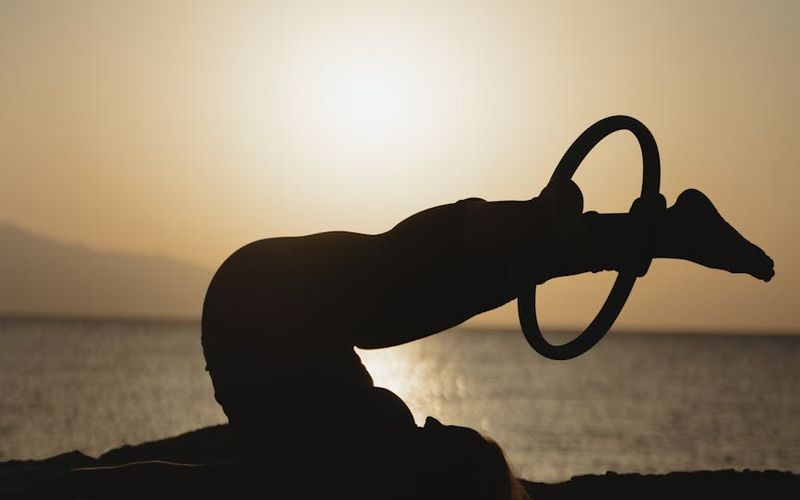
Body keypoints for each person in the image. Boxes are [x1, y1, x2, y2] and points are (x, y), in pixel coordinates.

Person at [201, 180, 773, 499]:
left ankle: (575, 229)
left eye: (447, 440)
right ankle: (629, 233)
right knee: (397, 295)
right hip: (275, 316)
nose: (435, 422)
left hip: (259, 311)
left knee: (388, 295)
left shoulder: (328, 472)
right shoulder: (363, 454)